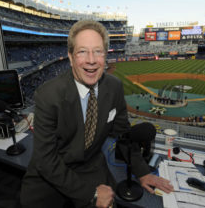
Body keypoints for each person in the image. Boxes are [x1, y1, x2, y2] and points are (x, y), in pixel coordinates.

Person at [20, 20, 174, 208]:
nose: (91, 60)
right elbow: (46, 161)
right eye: (82, 51)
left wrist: (141, 171)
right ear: (70, 57)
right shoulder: (48, 95)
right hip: (50, 174)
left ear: (105, 55)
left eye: (98, 51)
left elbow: (124, 135)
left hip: (90, 166)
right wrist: (90, 193)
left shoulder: (114, 87)